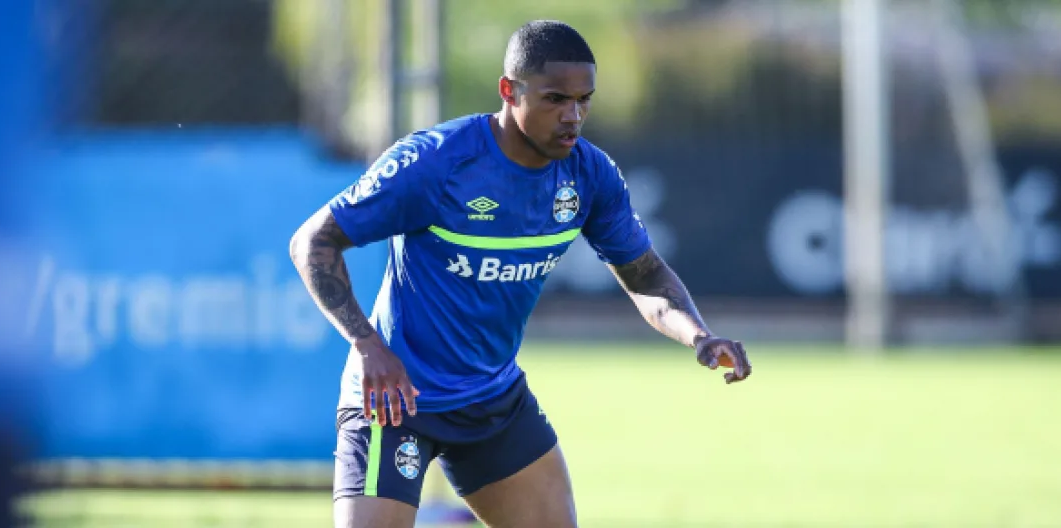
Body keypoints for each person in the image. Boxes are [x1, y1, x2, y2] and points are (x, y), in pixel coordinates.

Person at [289, 19, 752, 528]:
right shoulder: (436, 161)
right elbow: (313, 242)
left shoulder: (589, 174)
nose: (573, 116)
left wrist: (698, 335)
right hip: (396, 403)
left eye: (584, 100)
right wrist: (367, 346)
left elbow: (644, 277)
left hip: (493, 401)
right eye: (556, 99)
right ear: (509, 91)